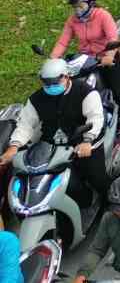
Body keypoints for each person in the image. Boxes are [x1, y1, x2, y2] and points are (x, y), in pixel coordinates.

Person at [1, 59, 111, 212]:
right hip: (51, 146)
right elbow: (25, 124)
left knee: (97, 178)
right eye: (47, 83)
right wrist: (14, 147)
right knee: (35, 179)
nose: (51, 86)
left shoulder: (85, 92)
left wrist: (87, 140)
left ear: (67, 76)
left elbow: (95, 118)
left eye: (55, 81)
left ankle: (108, 202)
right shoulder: (36, 99)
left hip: (83, 143)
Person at [53, 0, 120, 145]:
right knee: (73, 91)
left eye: (80, 6)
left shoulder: (102, 15)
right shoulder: (72, 21)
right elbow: (62, 42)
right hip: (85, 60)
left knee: (119, 92)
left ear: (90, 4)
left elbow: (113, 38)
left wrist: (109, 56)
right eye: (75, 7)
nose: (77, 10)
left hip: (106, 57)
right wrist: (52, 59)